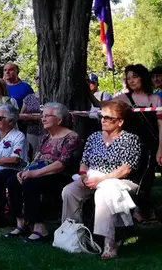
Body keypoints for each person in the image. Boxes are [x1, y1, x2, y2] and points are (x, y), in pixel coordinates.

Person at [61, 100, 141, 260]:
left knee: (105, 192)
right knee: (69, 191)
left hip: (120, 181)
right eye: (102, 116)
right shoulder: (94, 137)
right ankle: (74, 237)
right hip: (93, 178)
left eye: (108, 118)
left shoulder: (130, 139)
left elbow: (126, 169)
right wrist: (83, 176)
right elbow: (84, 161)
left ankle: (109, 243)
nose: (103, 120)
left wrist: (101, 179)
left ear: (120, 121)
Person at [5, 103, 81, 242]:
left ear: (59, 120)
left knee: (31, 183)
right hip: (41, 174)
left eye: (47, 116)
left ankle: (40, 228)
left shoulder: (71, 137)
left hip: (61, 176)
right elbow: (36, 159)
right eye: (42, 116)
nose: (43, 119)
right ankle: (21, 224)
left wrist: (35, 174)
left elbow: (61, 165)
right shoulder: (45, 137)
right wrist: (24, 171)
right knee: (13, 181)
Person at [113, 64, 162, 223]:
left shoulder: (154, 99)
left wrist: (160, 148)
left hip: (151, 145)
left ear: (142, 77)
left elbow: (161, 126)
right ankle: (138, 210)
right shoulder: (122, 98)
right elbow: (103, 107)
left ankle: (143, 210)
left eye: (134, 76)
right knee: (131, 177)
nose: (131, 80)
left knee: (146, 178)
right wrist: (88, 93)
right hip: (129, 145)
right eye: (128, 78)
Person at [19, 74, 43, 156]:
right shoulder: (29, 98)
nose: (38, 80)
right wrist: (37, 117)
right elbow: (21, 115)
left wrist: (31, 116)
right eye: (36, 78)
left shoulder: (51, 97)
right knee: (32, 155)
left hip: (48, 132)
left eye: (40, 77)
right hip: (31, 131)